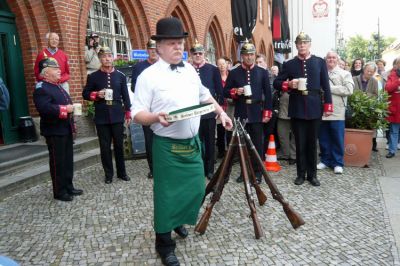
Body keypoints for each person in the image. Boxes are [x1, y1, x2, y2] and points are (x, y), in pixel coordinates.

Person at [131, 17, 232, 266]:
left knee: (197, 188)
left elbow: (205, 95)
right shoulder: (148, 76)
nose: (179, 48)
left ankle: (177, 221)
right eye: (173, 43)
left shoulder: (189, 70)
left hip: (191, 145)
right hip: (166, 147)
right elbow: (137, 113)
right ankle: (164, 243)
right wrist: (155, 117)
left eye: (181, 43)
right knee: (165, 196)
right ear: (159, 47)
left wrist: (221, 113)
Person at [273, 32, 333, 186]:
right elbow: (277, 83)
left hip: (314, 107)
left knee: (313, 143)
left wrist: (328, 105)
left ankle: (312, 175)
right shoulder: (289, 64)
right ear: (296, 45)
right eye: (299, 43)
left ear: (309, 44)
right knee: (299, 143)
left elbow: (325, 85)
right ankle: (300, 174)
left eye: (305, 43)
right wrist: (288, 85)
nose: (302, 45)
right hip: (297, 107)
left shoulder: (319, 62)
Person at [33, 58, 83, 201]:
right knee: (58, 162)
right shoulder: (41, 88)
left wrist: (72, 124)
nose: (59, 70)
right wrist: (64, 109)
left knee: (67, 160)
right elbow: (44, 109)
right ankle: (59, 192)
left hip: (65, 129)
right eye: (55, 69)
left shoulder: (58, 86)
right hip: (54, 130)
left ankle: (68, 186)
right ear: (46, 72)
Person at [224, 40, 273, 184]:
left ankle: (257, 173)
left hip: (257, 112)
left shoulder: (262, 72)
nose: (249, 57)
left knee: (257, 144)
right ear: (242, 56)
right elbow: (225, 91)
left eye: (251, 54)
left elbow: (268, 94)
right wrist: (235, 91)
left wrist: (267, 112)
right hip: (241, 112)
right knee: (242, 145)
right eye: (246, 55)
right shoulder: (234, 73)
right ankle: (244, 172)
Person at [82, 46, 132, 184]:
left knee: (119, 146)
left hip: (116, 114)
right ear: (100, 59)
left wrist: (128, 112)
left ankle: (122, 172)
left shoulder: (120, 76)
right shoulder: (93, 76)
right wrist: (96, 94)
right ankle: (108, 174)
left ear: (112, 58)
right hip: (101, 115)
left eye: (109, 56)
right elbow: (85, 94)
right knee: (104, 147)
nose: (107, 59)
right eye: (104, 57)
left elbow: (125, 96)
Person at [190, 40, 223, 179]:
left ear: (204, 54)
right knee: (195, 143)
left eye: (200, 53)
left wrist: (218, 111)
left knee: (209, 143)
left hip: (209, 112)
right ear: (191, 55)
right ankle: (197, 168)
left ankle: (209, 169)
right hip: (193, 112)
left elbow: (219, 91)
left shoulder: (213, 69)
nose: (198, 55)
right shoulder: (187, 69)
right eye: (195, 53)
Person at [317, 51, 354, 174]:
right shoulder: (320, 73)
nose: (331, 59)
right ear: (325, 60)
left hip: (337, 111)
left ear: (337, 60)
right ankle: (325, 160)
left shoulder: (345, 74)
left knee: (337, 138)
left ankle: (338, 163)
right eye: (329, 57)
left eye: (333, 57)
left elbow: (349, 90)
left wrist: (329, 88)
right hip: (322, 110)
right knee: (323, 138)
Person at [131, 38, 159, 179]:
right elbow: (133, 87)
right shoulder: (139, 67)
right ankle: (153, 168)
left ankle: (163, 166)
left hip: (161, 108)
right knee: (149, 139)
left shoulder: (163, 66)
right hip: (147, 109)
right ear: (147, 51)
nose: (153, 52)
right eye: (151, 49)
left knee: (162, 138)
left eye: (155, 49)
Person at [353, 62, 379, 151]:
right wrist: (361, 95)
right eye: (368, 71)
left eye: (372, 72)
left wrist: (365, 95)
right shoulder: (354, 79)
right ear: (364, 70)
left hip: (368, 109)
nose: (369, 73)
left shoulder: (374, 81)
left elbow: (376, 95)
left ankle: (365, 147)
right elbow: (351, 92)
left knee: (368, 127)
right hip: (355, 108)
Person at [384, 57, 400, 158]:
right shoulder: (393, 75)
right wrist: (398, 82)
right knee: (394, 130)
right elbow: (388, 88)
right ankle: (392, 150)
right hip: (396, 108)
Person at [216, 57, 230, 158]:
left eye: (223, 64)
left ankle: (230, 151)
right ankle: (221, 151)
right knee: (220, 129)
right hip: (220, 106)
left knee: (230, 128)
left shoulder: (231, 75)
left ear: (227, 64)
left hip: (230, 105)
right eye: (219, 64)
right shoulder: (215, 76)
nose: (222, 66)